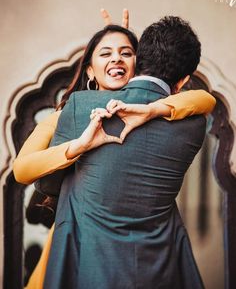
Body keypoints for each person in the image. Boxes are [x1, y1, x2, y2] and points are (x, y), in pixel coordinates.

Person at [35, 16, 215, 289]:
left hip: (89, 269)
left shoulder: (79, 108)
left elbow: (47, 182)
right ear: (184, 81)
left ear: (137, 60)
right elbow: (203, 99)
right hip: (160, 271)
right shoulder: (194, 123)